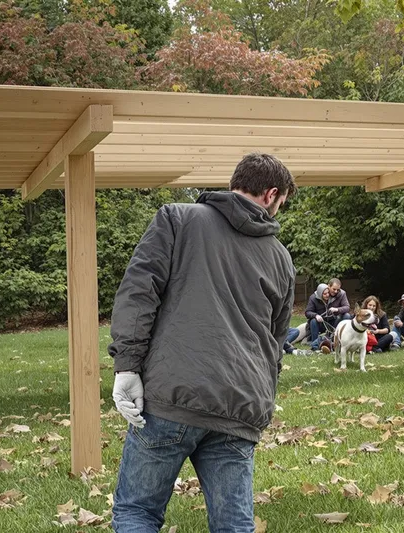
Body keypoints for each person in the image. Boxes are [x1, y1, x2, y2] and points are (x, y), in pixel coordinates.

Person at [108, 153, 296, 533]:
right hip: (240, 408)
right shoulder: (281, 258)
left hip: (171, 398)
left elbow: (138, 293)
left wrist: (126, 366)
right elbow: (275, 344)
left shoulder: (177, 218)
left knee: (137, 513)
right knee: (234, 525)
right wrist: (262, 401)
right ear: (271, 194)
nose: (279, 211)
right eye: (282, 203)